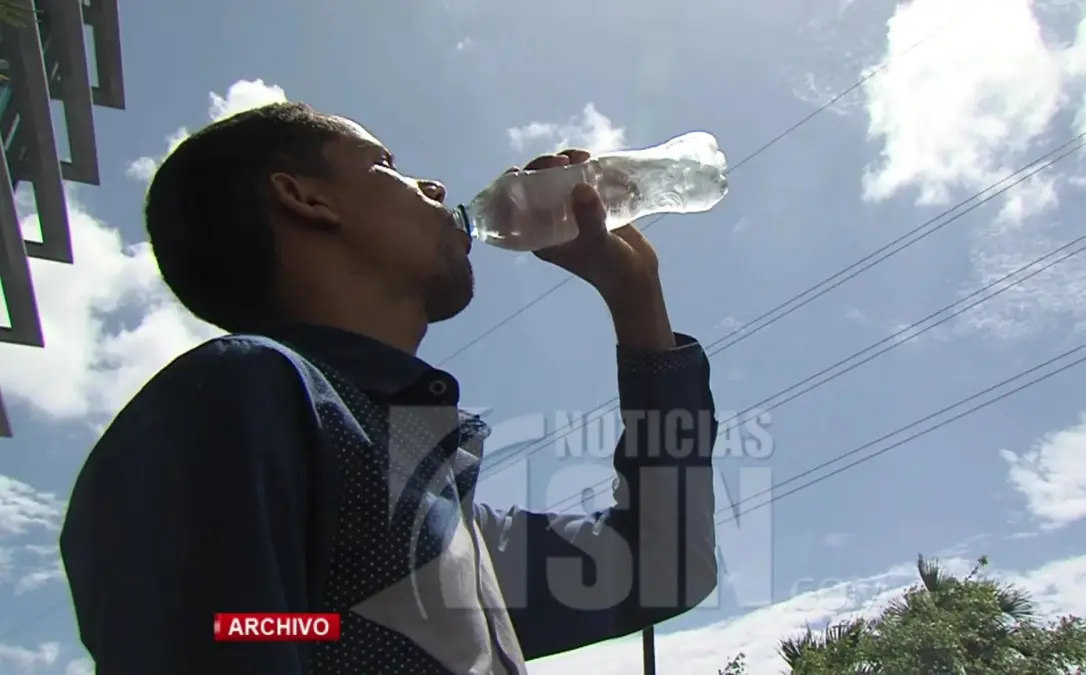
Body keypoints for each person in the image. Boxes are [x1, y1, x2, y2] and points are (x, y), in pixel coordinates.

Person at [58, 102, 718, 675]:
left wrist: (636, 298)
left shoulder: (441, 515)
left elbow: (665, 566)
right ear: (305, 198)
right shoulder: (238, 394)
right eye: (386, 165)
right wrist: (343, 630)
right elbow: (224, 630)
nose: (434, 186)